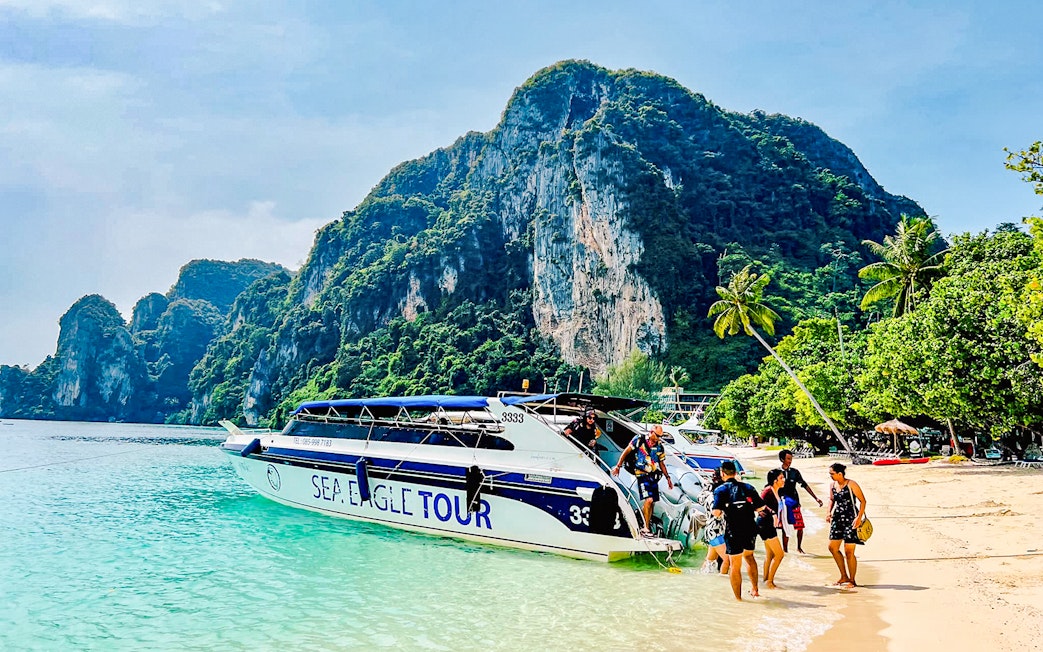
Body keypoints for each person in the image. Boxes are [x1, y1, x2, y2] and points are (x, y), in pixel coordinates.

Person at [712, 460, 768, 600]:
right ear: (736, 473)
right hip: (750, 528)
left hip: (733, 530)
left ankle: (739, 599)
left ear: (722, 473)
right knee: (749, 557)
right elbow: (761, 508)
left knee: (735, 565)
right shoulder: (748, 487)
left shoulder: (720, 490)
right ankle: (755, 590)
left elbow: (716, 512)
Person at [612, 425, 673, 537]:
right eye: (658, 436)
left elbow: (661, 463)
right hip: (641, 474)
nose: (659, 438)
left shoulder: (659, 447)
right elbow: (626, 451)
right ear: (651, 433)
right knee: (648, 500)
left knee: (652, 501)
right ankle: (646, 527)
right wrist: (618, 466)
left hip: (653, 475)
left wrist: (668, 478)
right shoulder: (639, 440)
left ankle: (643, 520)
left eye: (661, 436)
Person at [825, 462, 867, 588]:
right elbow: (832, 499)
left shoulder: (851, 484)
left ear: (840, 473)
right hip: (837, 519)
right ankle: (843, 575)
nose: (830, 476)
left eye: (832, 474)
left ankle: (852, 580)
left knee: (849, 551)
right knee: (832, 547)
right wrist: (828, 512)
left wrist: (859, 518)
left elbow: (863, 501)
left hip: (851, 519)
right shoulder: (832, 485)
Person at [777, 449, 823, 553]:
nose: (790, 461)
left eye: (791, 458)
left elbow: (804, 484)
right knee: (785, 527)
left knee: (800, 526)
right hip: (782, 504)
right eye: (788, 458)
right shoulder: (776, 472)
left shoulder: (795, 472)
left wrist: (816, 498)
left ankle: (799, 547)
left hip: (794, 502)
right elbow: (771, 487)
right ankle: (785, 550)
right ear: (782, 459)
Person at [697, 467, 730, 575]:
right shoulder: (714, 497)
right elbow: (716, 513)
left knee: (709, 560)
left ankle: (702, 578)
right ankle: (723, 580)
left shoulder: (711, 494)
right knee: (727, 560)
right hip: (714, 532)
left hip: (715, 530)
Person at [758, 469, 787, 589]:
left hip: (770, 525)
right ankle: (770, 581)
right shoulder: (767, 490)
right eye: (781, 478)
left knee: (770, 554)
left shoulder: (776, 491)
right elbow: (759, 504)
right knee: (779, 555)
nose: (783, 480)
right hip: (764, 525)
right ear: (775, 480)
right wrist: (773, 513)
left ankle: (766, 580)